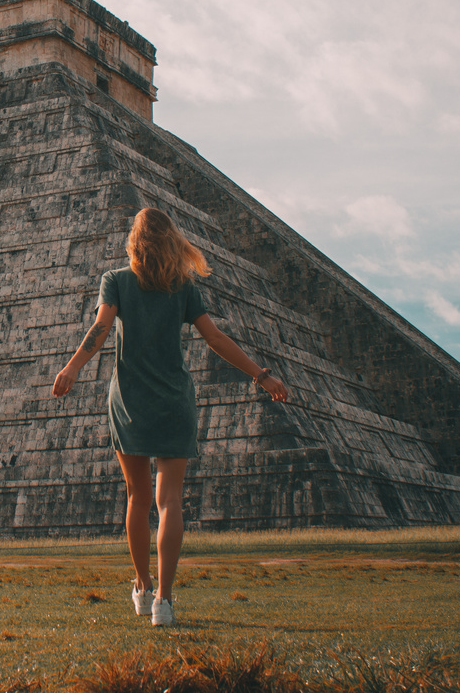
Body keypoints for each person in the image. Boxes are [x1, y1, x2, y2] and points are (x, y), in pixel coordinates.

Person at [51, 207, 290, 627]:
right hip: (175, 402)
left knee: (138, 499)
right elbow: (214, 338)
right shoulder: (183, 288)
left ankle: (142, 587)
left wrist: (72, 367)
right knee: (171, 502)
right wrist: (261, 375)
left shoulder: (117, 281)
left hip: (130, 402)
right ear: (171, 241)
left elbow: (102, 328)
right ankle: (164, 599)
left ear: (135, 242)